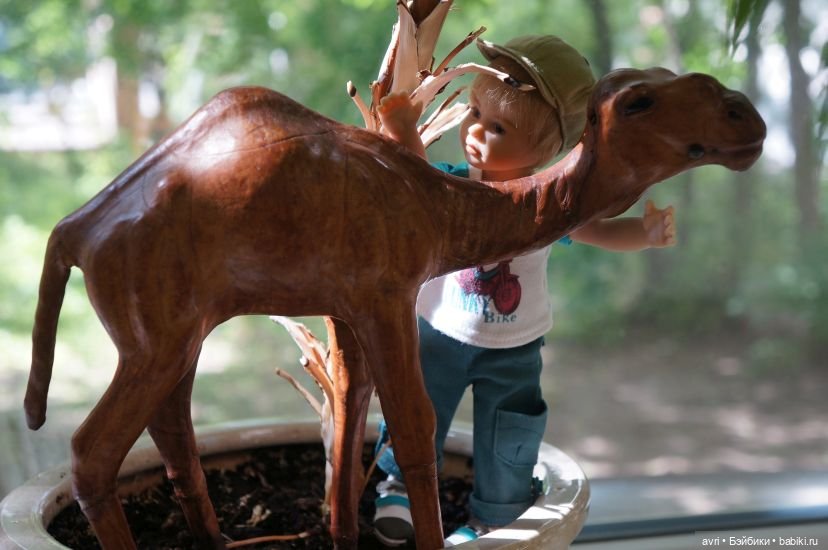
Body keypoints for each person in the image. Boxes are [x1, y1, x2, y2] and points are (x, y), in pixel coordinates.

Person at [371, 35, 676, 547]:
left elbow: (593, 230)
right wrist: (402, 128)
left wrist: (643, 235)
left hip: (513, 350)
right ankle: (399, 485)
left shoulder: (549, 202)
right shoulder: (454, 184)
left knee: (507, 431)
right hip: (439, 333)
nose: (474, 131)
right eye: (473, 113)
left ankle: (496, 513)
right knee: (418, 405)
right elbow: (415, 177)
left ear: (543, 150)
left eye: (497, 128)